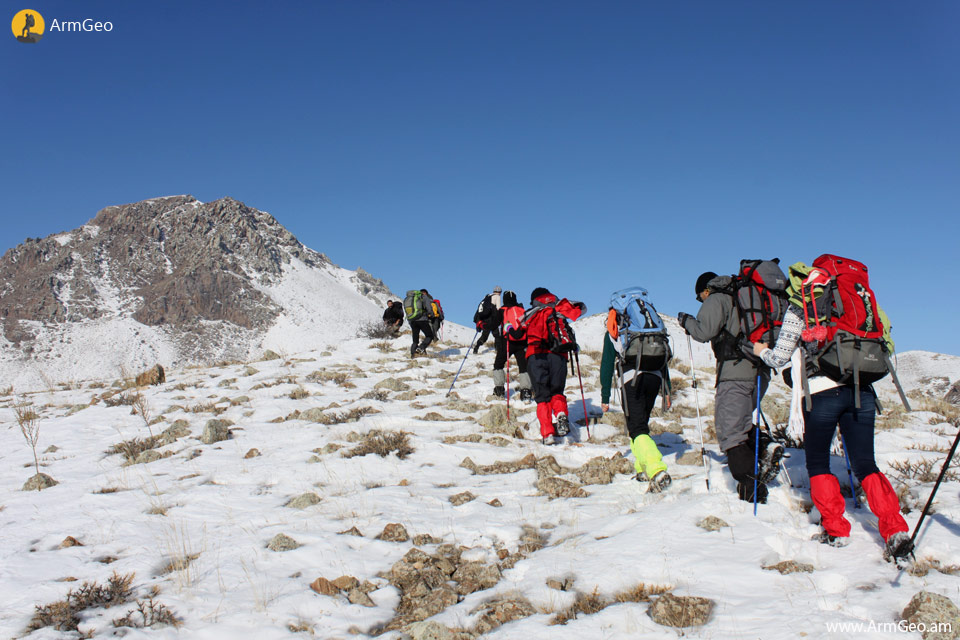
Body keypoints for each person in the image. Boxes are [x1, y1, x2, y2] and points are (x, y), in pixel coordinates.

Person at [754, 280, 912, 561]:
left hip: (821, 393)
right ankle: (895, 529)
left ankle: (836, 529)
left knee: (818, 462)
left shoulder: (803, 305)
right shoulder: (859, 301)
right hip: (861, 388)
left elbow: (779, 358)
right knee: (865, 463)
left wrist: (760, 352)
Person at [677, 271, 783, 503]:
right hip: (760, 370)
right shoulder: (746, 298)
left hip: (735, 371)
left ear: (706, 290)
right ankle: (766, 447)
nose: (701, 301)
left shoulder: (718, 298)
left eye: (700, 297)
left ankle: (751, 487)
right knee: (741, 421)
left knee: (730, 431)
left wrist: (686, 321)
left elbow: (704, 331)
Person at [599, 308, 671, 492]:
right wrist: (667, 389)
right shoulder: (649, 330)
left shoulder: (616, 329)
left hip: (632, 379)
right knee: (639, 424)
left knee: (637, 427)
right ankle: (642, 468)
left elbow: (607, 363)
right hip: (654, 377)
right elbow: (662, 358)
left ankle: (656, 469)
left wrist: (605, 396)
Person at [523, 287, 586, 444]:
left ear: (534, 299)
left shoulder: (532, 313)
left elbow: (518, 334)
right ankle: (560, 414)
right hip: (559, 355)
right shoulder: (558, 311)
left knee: (542, 396)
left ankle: (547, 433)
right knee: (557, 391)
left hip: (536, 355)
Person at [492, 290, 533, 400]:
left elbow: (494, 323)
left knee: (498, 364)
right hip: (522, 343)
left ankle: (499, 390)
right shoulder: (522, 310)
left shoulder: (502, 310)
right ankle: (526, 392)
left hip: (507, 342)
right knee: (523, 367)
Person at [473, 286, 503, 353]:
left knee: (484, 336)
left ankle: (476, 347)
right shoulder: (497, 297)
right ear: (500, 292)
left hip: (485, 320)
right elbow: (498, 308)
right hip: (493, 320)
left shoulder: (487, 296)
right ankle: (498, 350)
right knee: (497, 336)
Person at [409, 289, 438, 357]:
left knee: (415, 340)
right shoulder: (424, 297)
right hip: (422, 320)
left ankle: (413, 354)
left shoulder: (412, 299)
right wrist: (432, 315)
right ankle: (421, 348)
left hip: (413, 321)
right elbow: (429, 308)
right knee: (429, 336)